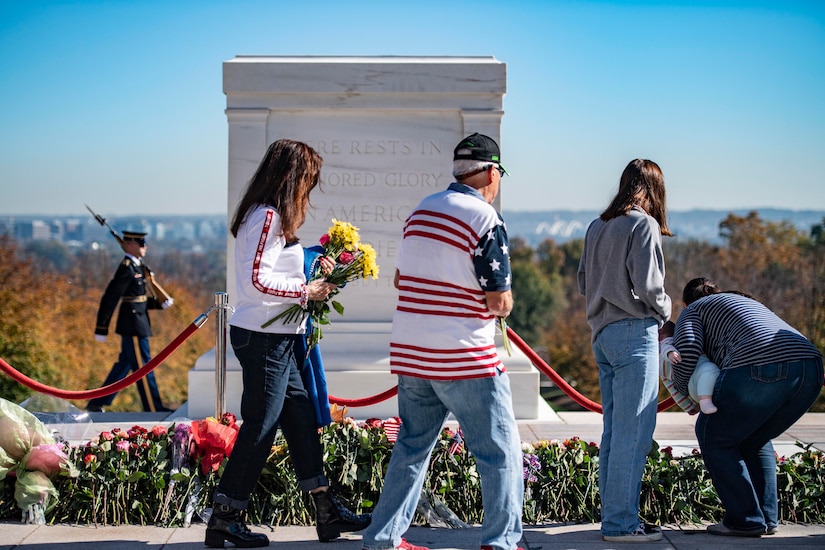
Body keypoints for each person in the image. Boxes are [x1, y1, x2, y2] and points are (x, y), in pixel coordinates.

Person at [360, 133, 523, 550]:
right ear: (490, 172)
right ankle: (501, 542)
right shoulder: (486, 219)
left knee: (412, 447)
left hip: (413, 354)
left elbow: (401, 278)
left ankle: (382, 538)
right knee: (498, 453)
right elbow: (499, 300)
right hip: (465, 357)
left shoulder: (421, 211)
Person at [205, 139, 370, 549]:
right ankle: (226, 515)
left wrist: (317, 265)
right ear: (292, 176)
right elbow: (254, 281)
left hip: (277, 338)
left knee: (298, 417)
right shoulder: (266, 215)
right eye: (308, 181)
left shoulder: (271, 217)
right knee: (262, 424)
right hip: (263, 338)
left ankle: (326, 509)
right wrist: (305, 290)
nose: (308, 192)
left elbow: (273, 269)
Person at [671, 276, 824, 537]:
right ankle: (766, 518)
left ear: (685, 303)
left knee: (713, 435)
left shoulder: (694, 310)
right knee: (755, 437)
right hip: (811, 367)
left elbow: (687, 347)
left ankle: (744, 520)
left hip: (759, 363)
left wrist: (682, 390)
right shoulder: (744, 302)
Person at [577, 159, 672, 543]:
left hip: (602, 334)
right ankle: (620, 524)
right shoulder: (641, 224)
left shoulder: (596, 226)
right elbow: (649, 287)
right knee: (634, 434)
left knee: (616, 433)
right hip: (635, 333)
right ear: (652, 190)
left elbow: (584, 282)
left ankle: (615, 517)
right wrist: (667, 310)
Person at [86, 231, 173, 413]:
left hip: (137, 322)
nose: (145, 247)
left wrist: (160, 302)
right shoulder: (127, 268)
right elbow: (110, 298)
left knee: (124, 365)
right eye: (141, 244)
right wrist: (101, 327)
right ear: (131, 245)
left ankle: (97, 402)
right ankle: (153, 407)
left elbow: (138, 300)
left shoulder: (137, 266)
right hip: (133, 325)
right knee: (144, 367)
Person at [659, 321, 719, 414]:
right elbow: (666, 346)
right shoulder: (670, 341)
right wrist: (670, 353)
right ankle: (705, 401)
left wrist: (689, 407)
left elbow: (674, 390)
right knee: (710, 369)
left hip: (693, 390)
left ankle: (704, 400)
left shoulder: (659, 369)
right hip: (700, 372)